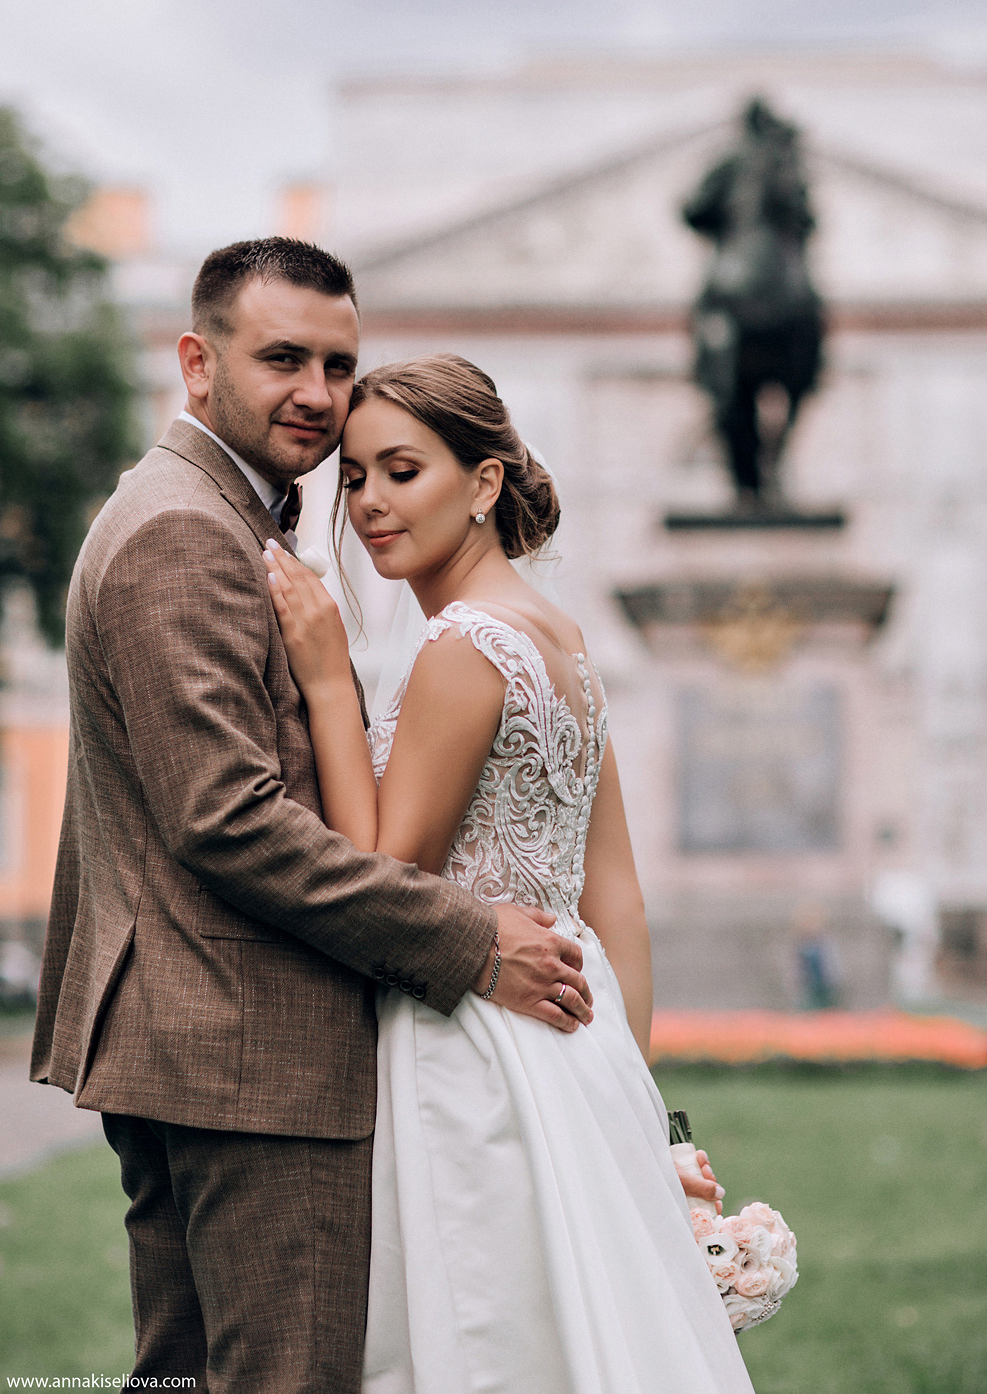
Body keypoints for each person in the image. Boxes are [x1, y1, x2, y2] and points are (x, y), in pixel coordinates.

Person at [29, 240, 597, 1394]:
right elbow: (228, 821)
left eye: (337, 363)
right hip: (246, 1050)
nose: (317, 393)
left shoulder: (223, 519)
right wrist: (468, 937)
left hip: (218, 1044)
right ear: (197, 362)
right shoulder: (185, 531)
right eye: (281, 357)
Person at [263, 353, 756, 1393]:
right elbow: (612, 900)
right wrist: (633, 1100)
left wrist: (322, 681)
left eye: (403, 470)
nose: (371, 505)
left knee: (480, 1335)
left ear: (483, 483)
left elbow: (383, 872)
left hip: (470, 1046)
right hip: (581, 1046)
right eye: (353, 478)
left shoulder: (463, 643)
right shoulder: (562, 641)